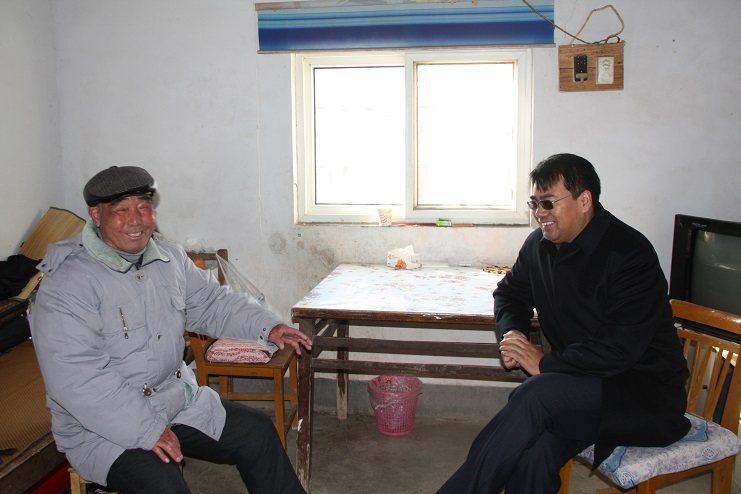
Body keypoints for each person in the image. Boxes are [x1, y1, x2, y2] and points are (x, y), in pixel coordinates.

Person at [30, 166, 311, 494]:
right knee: (164, 485)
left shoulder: (168, 258)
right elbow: (80, 379)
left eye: (144, 207)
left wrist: (269, 326)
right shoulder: (67, 284)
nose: (136, 220)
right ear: (96, 215)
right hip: (102, 427)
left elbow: (211, 303)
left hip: (173, 402)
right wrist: (146, 430)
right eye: (121, 210)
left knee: (257, 433)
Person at [437, 153, 691, 494]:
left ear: (584, 201)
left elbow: (618, 349)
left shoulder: (631, 255)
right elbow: (510, 293)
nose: (539, 213)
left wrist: (544, 363)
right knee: (533, 452)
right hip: (579, 383)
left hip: (642, 395)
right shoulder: (539, 246)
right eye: (534, 203)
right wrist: (513, 334)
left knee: (535, 396)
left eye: (548, 203)